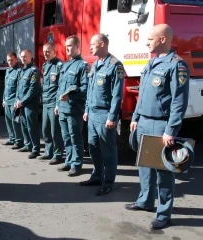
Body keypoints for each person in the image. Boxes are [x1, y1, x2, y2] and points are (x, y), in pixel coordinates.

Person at [124, 24, 190, 230]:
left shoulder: (176, 65)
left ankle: (164, 213)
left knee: (163, 171)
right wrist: (135, 117)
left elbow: (179, 101)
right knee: (144, 165)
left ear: (162, 39)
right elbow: (142, 93)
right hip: (143, 121)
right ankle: (145, 201)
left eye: (150, 39)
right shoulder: (152, 63)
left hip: (160, 124)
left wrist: (171, 129)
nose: (146, 42)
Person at [80, 34, 124, 196]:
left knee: (108, 151)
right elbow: (90, 91)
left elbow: (117, 95)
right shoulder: (95, 64)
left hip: (105, 115)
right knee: (93, 148)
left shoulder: (115, 66)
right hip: (92, 114)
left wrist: (112, 117)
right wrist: (86, 110)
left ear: (103, 43)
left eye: (93, 44)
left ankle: (108, 182)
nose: (90, 47)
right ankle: (97, 176)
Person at [55, 35, 89, 177]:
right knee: (66, 137)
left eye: (70, 46)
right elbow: (60, 87)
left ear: (77, 46)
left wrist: (71, 97)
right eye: (66, 46)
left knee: (75, 137)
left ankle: (76, 164)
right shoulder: (65, 65)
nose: (67, 48)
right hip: (62, 109)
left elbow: (85, 88)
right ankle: (69, 161)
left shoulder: (83, 66)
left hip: (74, 109)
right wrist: (57, 104)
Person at [37, 42, 64, 164]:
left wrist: (58, 103)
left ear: (54, 51)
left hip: (54, 102)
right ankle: (48, 152)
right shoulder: (45, 65)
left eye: (48, 51)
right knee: (45, 129)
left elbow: (61, 87)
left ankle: (58, 154)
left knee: (55, 131)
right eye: (44, 51)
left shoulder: (59, 65)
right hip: (45, 102)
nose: (45, 53)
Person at [14, 49, 41, 159]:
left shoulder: (34, 71)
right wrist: (17, 100)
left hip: (30, 104)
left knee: (32, 126)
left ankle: (35, 149)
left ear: (31, 57)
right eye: (22, 56)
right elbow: (18, 87)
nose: (23, 58)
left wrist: (22, 101)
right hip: (21, 103)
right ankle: (28, 144)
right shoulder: (21, 71)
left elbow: (32, 90)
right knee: (24, 125)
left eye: (25, 56)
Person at [2, 52, 24, 149]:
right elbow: (6, 87)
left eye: (11, 60)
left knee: (16, 122)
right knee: (8, 121)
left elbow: (19, 88)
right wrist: (3, 99)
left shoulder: (19, 71)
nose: (9, 62)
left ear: (16, 59)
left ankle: (19, 141)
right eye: (8, 60)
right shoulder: (8, 71)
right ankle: (11, 138)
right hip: (7, 100)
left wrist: (16, 100)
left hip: (13, 101)